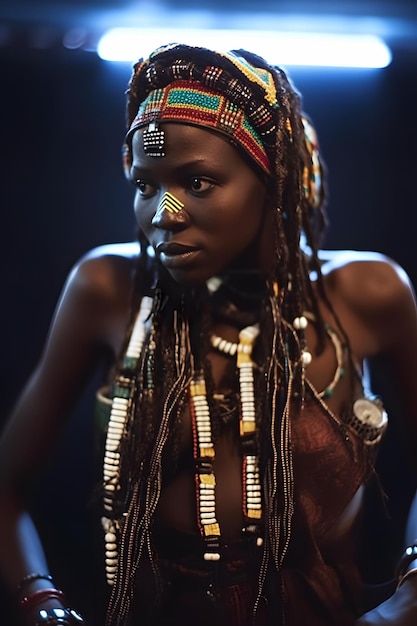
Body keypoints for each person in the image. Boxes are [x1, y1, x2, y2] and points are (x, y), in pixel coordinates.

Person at [0, 41, 417, 626]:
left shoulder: (365, 296)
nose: (163, 213)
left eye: (197, 183)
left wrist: (412, 592)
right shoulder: (106, 289)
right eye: (145, 185)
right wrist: (39, 604)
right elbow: (6, 488)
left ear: (272, 180)